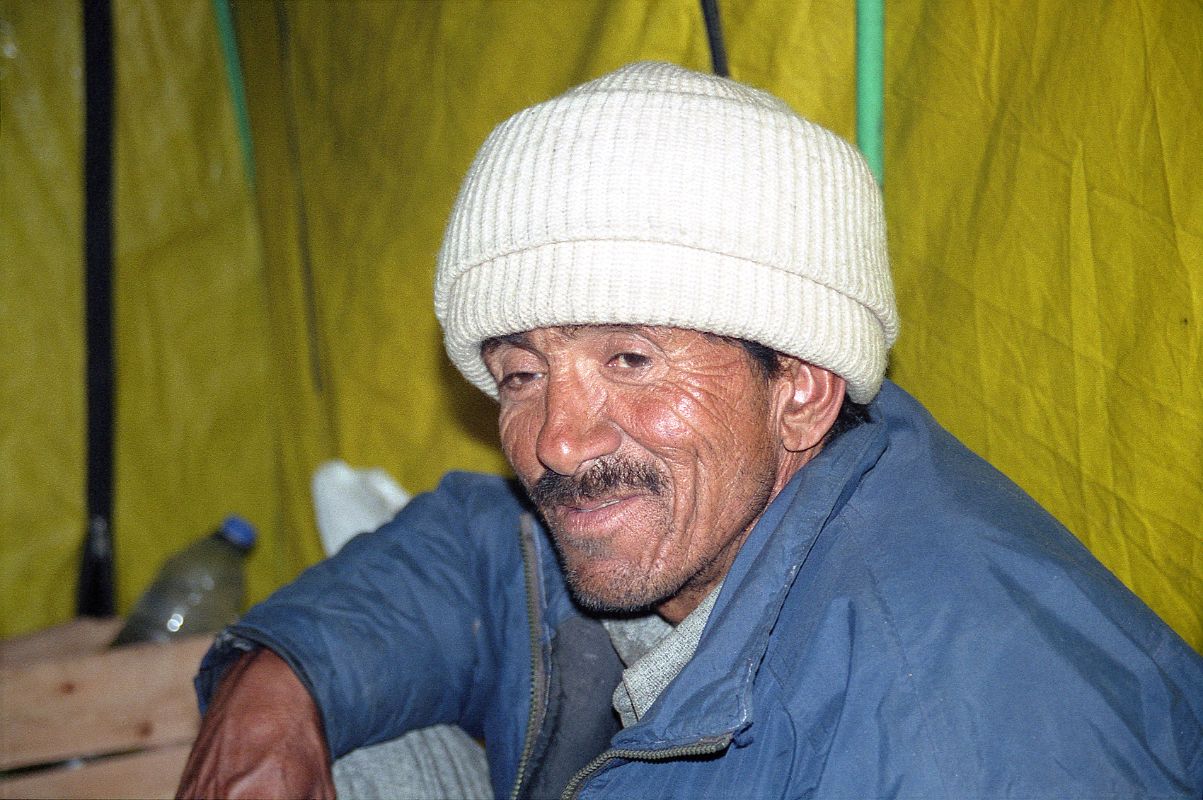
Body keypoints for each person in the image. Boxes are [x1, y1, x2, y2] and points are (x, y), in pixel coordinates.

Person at [177, 61, 1203, 800]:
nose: (558, 441)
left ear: (797, 386)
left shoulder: (957, 738)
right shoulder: (732, 497)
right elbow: (476, 548)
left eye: (632, 359)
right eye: (522, 373)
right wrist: (279, 680)